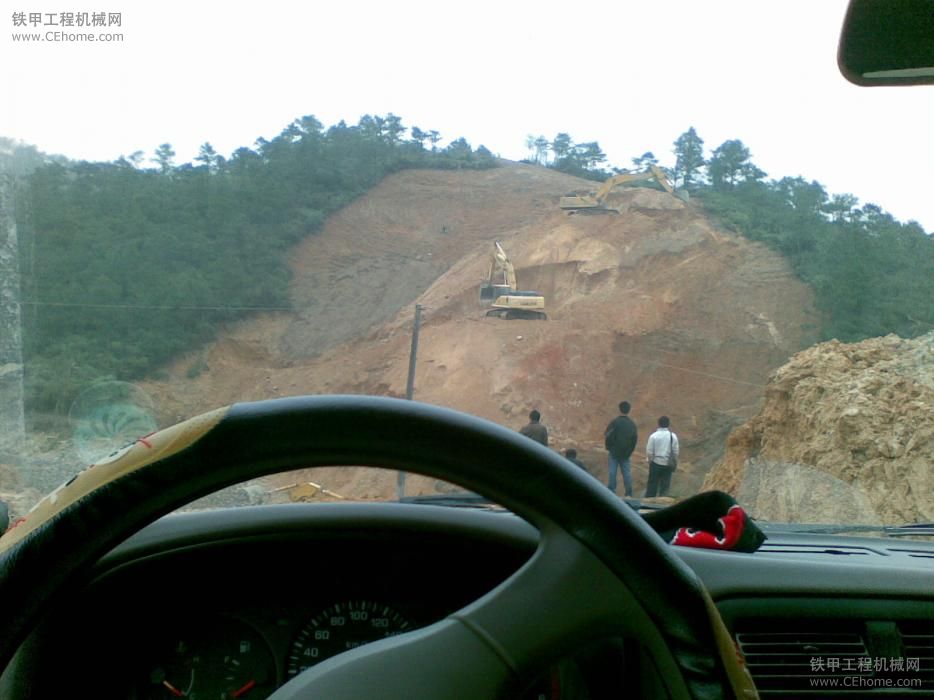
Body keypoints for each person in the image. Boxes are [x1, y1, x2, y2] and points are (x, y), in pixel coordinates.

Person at [604, 400, 637, 497]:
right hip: (626, 453)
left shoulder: (615, 422)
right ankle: (629, 493)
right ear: (629, 410)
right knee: (627, 473)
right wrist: (630, 451)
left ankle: (611, 492)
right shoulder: (632, 424)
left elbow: (607, 435)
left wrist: (609, 447)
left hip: (614, 452)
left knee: (612, 472)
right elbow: (634, 439)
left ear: (619, 409)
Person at [645, 415, 679, 498]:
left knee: (652, 486)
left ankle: (648, 504)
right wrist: (674, 461)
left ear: (658, 424)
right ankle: (662, 503)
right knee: (665, 487)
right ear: (668, 424)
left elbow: (649, 451)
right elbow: (676, 452)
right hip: (667, 464)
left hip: (655, 463)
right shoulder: (673, 436)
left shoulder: (654, 436)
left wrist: (650, 461)